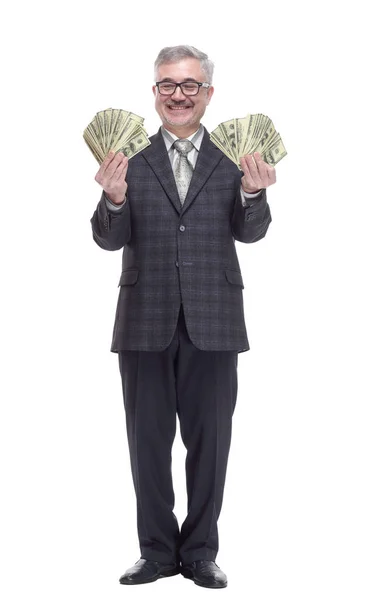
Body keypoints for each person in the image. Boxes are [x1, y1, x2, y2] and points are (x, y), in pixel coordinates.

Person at [90, 45, 276, 589]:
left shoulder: (234, 158)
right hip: (144, 318)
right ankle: (154, 551)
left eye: (190, 85)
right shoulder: (127, 157)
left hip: (214, 319)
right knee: (146, 442)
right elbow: (107, 239)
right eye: (168, 84)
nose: (179, 94)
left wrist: (253, 192)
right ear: (154, 93)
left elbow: (251, 232)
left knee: (211, 442)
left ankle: (199, 552)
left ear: (208, 94)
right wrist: (115, 200)